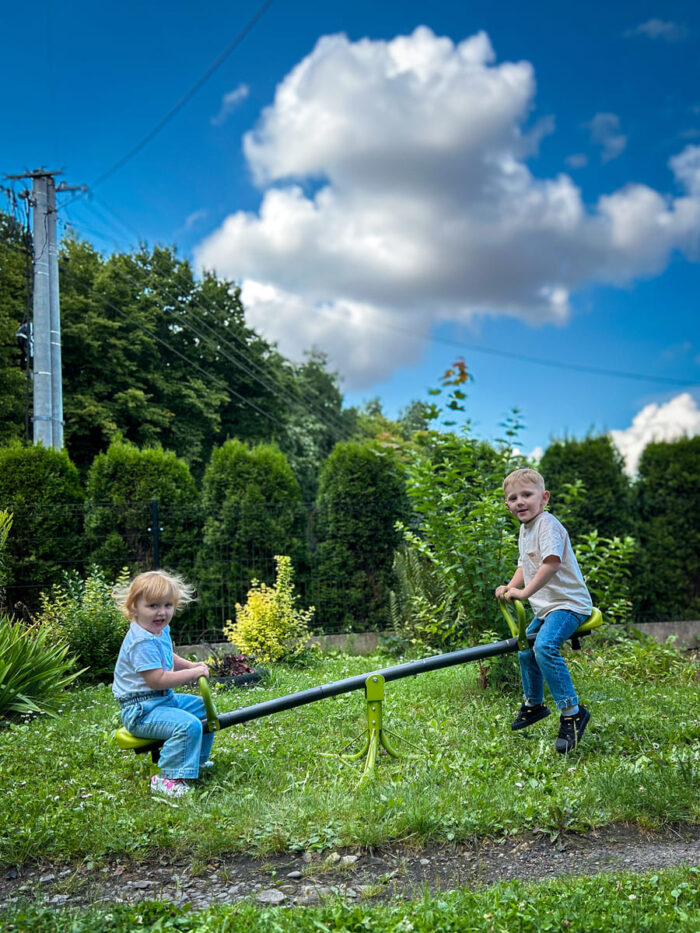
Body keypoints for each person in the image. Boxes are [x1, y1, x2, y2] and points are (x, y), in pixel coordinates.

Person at [495, 468, 593, 753]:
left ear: (544, 498)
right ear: (507, 505)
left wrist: (524, 593)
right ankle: (534, 704)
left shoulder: (547, 524)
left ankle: (572, 712)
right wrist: (509, 586)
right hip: (547, 609)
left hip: (568, 604)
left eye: (527, 494)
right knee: (526, 647)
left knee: (545, 647)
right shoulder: (525, 531)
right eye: (513, 498)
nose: (520, 502)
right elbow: (525, 566)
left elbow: (550, 563)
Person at [112, 569, 213, 797]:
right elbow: (157, 680)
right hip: (141, 711)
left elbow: (169, 658)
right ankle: (169, 777)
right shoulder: (142, 642)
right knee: (187, 725)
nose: (162, 612)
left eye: (168, 605)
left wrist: (189, 666)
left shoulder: (159, 631)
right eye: (153, 606)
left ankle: (195, 762)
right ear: (133, 608)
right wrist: (193, 674)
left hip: (162, 701)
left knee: (201, 708)